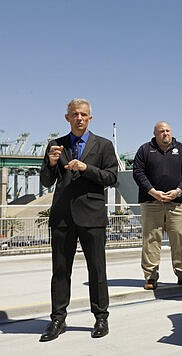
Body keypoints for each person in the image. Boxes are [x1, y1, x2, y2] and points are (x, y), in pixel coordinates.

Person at [39, 98, 118, 342]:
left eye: (84, 114)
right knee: (60, 271)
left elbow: (112, 177)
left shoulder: (103, 145)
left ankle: (101, 317)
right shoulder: (56, 145)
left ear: (90, 118)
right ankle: (58, 319)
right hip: (63, 217)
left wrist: (86, 168)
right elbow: (45, 180)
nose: (79, 118)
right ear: (67, 118)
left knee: (97, 269)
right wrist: (52, 163)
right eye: (75, 114)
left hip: (92, 216)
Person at [133, 121, 182, 290]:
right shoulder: (145, 150)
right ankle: (151, 276)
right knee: (151, 239)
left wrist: (178, 191)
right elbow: (138, 172)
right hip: (151, 202)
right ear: (155, 133)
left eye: (168, 130)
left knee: (179, 239)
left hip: (176, 202)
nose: (165, 134)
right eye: (161, 131)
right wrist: (152, 191)